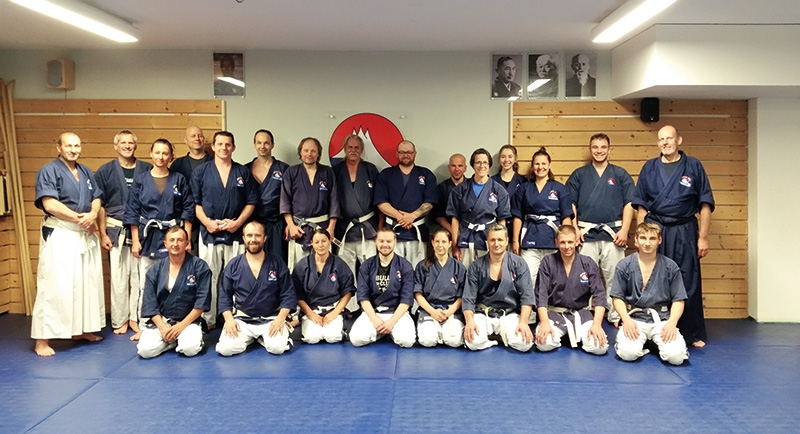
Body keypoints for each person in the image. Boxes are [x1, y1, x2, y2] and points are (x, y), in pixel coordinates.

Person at [633, 125, 714, 348]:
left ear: (679, 140)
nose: (665, 143)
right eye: (661, 139)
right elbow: (641, 206)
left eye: (669, 138)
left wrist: (703, 237)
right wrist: (641, 236)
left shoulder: (693, 165)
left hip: (685, 229)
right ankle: (655, 330)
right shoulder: (649, 167)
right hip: (656, 228)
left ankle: (692, 331)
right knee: (654, 278)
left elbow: (705, 204)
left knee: (688, 279)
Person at [31, 132, 105, 357]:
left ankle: (79, 331)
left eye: (77, 145)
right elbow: (49, 203)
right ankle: (41, 340)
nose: (74, 149)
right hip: (62, 232)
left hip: (84, 232)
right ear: (58, 147)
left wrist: (92, 214)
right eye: (69, 145)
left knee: (84, 283)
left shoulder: (85, 171)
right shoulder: (49, 170)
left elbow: (97, 198)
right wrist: (79, 218)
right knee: (54, 285)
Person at [124, 138, 194, 341]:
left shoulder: (179, 179)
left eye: (165, 153)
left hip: (174, 237)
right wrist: (135, 240)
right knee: (147, 282)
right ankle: (146, 324)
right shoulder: (141, 180)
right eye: (158, 153)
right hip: (149, 236)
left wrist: (187, 238)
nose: (161, 157)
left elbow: (188, 209)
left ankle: (175, 321)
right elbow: (133, 211)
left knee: (174, 281)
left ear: (171, 156)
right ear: (151, 154)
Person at [191, 131, 258, 329]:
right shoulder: (201, 172)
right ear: (213, 147)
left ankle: (235, 315)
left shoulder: (242, 173)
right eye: (219, 144)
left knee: (235, 276)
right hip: (209, 232)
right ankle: (209, 318)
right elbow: (194, 203)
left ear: (233, 148)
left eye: (228, 144)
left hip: (235, 233)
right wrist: (207, 222)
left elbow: (251, 202)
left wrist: (238, 223)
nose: (223, 148)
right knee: (208, 276)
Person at [565, 133, 635, 326]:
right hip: (585, 234)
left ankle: (615, 316)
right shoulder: (579, 174)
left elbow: (630, 203)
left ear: (609, 149)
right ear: (590, 149)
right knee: (583, 278)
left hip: (614, 234)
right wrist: (574, 228)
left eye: (603, 147)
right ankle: (585, 314)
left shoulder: (620, 174)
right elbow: (570, 203)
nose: (599, 151)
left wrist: (625, 230)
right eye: (595, 147)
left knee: (616, 278)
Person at [94, 130, 152, 335]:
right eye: (123, 143)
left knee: (140, 276)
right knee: (118, 276)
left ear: (136, 146)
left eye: (131, 143)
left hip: (141, 229)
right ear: (116, 146)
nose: (127, 146)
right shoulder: (105, 171)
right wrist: (102, 233)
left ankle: (137, 318)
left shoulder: (147, 169)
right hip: (115, 227)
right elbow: (99, 205)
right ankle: (120, 319)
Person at [611, 223, 689, 365]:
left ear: (660, 240)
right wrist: (626, 320)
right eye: (643, 238)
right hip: (634, 319)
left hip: (662, 319)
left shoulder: (670, 267)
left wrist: (672, 322)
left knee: (676, 358)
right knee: (628, 354)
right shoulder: (624, 265)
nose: (647, 243)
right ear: (636, 240)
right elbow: (617, 297)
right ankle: (643, 344)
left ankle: (653, 343)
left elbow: (679, 299)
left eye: (652, 239)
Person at [215, 222, 296, 356]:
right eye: (249, 235)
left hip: (271, 318)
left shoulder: (277, 263)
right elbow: (224, 296)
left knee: (277, 348)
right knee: (225, 349)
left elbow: (288, 294)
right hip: (243, 319)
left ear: (264, 238)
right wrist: (229, 319)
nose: (253, 239)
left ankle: (261, 338)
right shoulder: (233, 265)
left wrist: (281, 319)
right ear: (244, 238)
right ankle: (253, 338)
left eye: (257, 236)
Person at [137, 226, 211, 358]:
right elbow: (150, 303)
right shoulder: (155, 270)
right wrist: (162, 328)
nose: (175, 244)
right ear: (165, 244)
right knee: (145, 351)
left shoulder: (200, 267)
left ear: (187, 243)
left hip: (188, 322)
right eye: (172, 240)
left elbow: (201, 303)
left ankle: (180, 340)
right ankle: (172, 341)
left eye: (180, 240)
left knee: (190, 349)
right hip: (163, 321)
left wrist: (181, 326)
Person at [534, 226, 608, 355]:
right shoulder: (548, 262)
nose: (567, 246)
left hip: (581, 314)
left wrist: (597, 324)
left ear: (576, 242)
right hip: (554, 313)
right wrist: (544, 322)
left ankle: (577, 334)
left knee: (599, 348)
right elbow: (541, 294)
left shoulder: (588, 263)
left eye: (570, 242)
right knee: (544, 344)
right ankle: (563, 334)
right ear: (556, 242)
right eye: (562, 242)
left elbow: (600, 296)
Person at [462, 224, 534, 352]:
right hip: (483, 313)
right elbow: (468, 298)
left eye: (500, 240)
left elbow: (527, 296)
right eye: (492, 240)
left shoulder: (518, 263)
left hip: (509, 313)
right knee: (472, 342)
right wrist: (469, 321)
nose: (496, 243)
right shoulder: (476, 265)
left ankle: (496, 335)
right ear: (487, 242)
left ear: (507, 241)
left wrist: (523, 322)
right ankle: (494, 339)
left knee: (524, 344)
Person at [511, 147, 573, 287]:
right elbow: (518, 217)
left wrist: (566, 240)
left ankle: (549, 308)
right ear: (532, 167)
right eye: (537, 164)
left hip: (552, 240)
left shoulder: (560, 189)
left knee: (553, 279)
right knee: (528, 279)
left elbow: (566, 217)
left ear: (549, 165)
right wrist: (515, 240)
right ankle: (529, 308)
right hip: (530, 239)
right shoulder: (524, 188)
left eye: (543, 164)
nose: (540, 167)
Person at [374, 140, 437, 266]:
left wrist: (412, 216)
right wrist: (401, 217)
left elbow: (430, 202)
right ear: (397, 154)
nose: (405, 155)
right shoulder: (386, 175)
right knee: (393, 271)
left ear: (415, 154)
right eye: (402, 152)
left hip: (417, 231)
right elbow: (381, 202)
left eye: (409, 152)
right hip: (392, 232)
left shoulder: (426, 174)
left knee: (417, 270)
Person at [281, 137, 340, 271]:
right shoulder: (292, 172)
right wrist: (290, 225)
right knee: (299, 268)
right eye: (306, 150)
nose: (309, 154)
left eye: (313, 151)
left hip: (322, 228)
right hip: (298, 228)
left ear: (318, 153)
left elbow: (334, 201)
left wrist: (331, 228)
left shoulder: (327, 172)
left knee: (323, 267)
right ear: (300, 153)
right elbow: (285, 200)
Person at [350, 228, 416, 348]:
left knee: (407, 341)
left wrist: (391, 322)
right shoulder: (367, 266)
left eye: (389, 241)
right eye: (381, 241)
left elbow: (406, 299)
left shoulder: (405, 266)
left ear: (395, 242)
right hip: (374, 312)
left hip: (397, 313)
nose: (385, 244)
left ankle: (386, 330)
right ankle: (383, 331)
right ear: (376, 242)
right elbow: (363, 297)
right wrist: (374, 319)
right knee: (356, 340)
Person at [447, 148, 510, 267]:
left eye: (485, 162)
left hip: (488, 239)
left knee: (488, 276)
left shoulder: (499, 191)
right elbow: (454, 219)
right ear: (472, 165)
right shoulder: (459, 190)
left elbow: (502, 220)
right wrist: (455, 246)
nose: (482, 166)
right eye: (478, 162)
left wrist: (499, 244)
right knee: (464, 275)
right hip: (465, 238)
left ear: (490, 165)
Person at [293, 229, 355, 344]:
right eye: (316, 242)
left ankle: (341, 328)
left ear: (330, 241)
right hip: (312, 310)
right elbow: (297, 293)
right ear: (311, 243)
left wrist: (335, 313)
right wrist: (310, 314)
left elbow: (348, 291)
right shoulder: (303, 265)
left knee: (332, 337)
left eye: (324, 241)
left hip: (333, 309)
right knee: (312, 338)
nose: (320, 245)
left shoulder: (338, 263)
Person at [332, 134, 379, 278]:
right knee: (346, 273)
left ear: (362, 149)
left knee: (371, 270)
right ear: (344, 149)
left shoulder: (370, 169)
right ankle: (349, 300)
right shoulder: (335, 170)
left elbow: (379, 201)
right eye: (350, 147)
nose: (353, 150)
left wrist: (380, 227)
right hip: (343, 228)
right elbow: (331, 200)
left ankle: (370, 300)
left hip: (368, 229)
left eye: (357, 147)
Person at [414, 229, 467, 348]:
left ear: (450, 244)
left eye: (444, 241)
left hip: (451, 310)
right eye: (437, 241)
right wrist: (432, 312)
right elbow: (418, 294)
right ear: (432, 243)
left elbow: (462, 294)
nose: (440, 245)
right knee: (427, 341)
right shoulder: (422, 266)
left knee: (454, 341)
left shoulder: (459, 267)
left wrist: (450, 311)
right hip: (429, 309)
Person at [246, 129, 290, 260]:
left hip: (276, 224)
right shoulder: (245, 170)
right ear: (254, 144)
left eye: (266, 143)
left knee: (277, 261)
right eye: (259, 142)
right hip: (253, 223)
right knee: (254, 261)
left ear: (272, 145)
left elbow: (290, 198)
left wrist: (289, 222)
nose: (262, 146)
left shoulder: (284, 169)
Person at [171, 126, 212, 254]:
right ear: (185, 140)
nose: (197, 138)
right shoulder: (178, 165)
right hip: (186, 219)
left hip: (210, 218)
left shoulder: (214, 161)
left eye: (199, 135)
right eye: (193, 136)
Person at [492, 144, 526, 239]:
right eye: (503, 157)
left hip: (517, 228)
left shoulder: (523, 182)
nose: (506, 160)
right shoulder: (492, 181)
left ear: (516, 158)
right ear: (499, 159)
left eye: (510, 157)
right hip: (496, 227)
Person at [433, 153, 467, 233]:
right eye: (453, 166)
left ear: (465, 168)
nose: (457, 169)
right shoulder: (441, 188)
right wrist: (453, 231)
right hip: (447, 231)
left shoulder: (472, 186)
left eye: (460, 166)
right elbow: (438, 215)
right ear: (449, 168)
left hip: (469, 231)